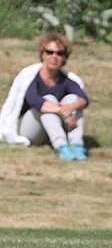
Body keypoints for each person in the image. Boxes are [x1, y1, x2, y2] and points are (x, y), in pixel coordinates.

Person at [0, 33, 90, 161]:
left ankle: (76, 145)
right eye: (50, 52)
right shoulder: (30, 77)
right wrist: (65, 112)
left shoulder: (67, 80)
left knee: (73, 99)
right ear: (42, 54)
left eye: (60, 53)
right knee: (49, 99)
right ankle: (61, 146)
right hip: (29, 129)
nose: (54, 57)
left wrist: (72, 106)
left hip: (50, 127)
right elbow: (35, 101)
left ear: (65, 57)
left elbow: (84, 99)